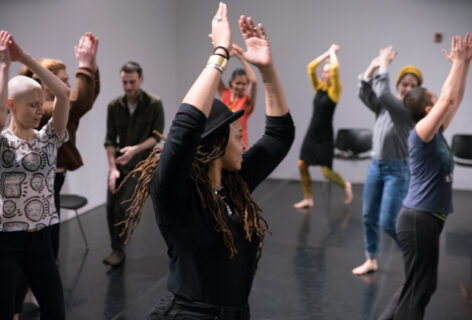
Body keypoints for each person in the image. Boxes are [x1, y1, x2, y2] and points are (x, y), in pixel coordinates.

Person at [117, 3, 294, 319]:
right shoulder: (175, 191)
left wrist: (267, 70)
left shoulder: (233, 184)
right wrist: (221, 53)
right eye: (238, 136)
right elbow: (185, 128)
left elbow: (280, 136)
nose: (244, 144)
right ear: (217, 142)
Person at [379, 33, 472, 320]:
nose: (443, 101)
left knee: (416, 285)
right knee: (420, 290)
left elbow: (452, 98)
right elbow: (447, 97)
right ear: (429, 109)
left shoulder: (436, 132)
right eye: (435, 100)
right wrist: (456, 62)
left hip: (426, 219)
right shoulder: (420, 135)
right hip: (419, 219)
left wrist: (465, 64)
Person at [0, 30, 69, 320]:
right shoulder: (3, 141)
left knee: (55, 312)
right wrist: (4, 66)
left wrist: (25, 58)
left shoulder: (48, 138)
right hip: (6, 242)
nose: (40, 110)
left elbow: (64, 94)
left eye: (40, 103)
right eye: (32, 104)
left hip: (41, 240)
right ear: (12, 106)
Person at [20, 32, 100, 259]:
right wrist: (85, 66)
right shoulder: (42, 111)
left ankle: (40, 280)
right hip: (43, 181)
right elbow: (79, 101)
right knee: (44, 236)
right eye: (64, 80)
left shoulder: (55, 107)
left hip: (54, 179)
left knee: (49, 234)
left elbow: (86, 99)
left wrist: (91, 65)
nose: (68, 85)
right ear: (46, 82)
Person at [352, 46, 421, 275]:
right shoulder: (386, 105)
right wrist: (373, 66)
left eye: (413, 85)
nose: (408, 88)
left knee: (389, 221)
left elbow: (381, 92)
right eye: (405, 84)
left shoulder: (408, 109)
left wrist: (384, 65)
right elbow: (364, 92)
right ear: (399, 84)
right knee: (368, 215)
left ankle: (417, 257)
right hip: (377, 165)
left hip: (397, 170)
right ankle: (371, 259)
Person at [104, 61, 164, 267]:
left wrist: (134, 150)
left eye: (132, 82)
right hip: (119, 163)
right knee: (110, 207)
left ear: (141, 79)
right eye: (124, 82)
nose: (128, 86)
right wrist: (112, 169)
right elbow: (110, 140)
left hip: (141, 164)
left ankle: (118, 251)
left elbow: (156, 137)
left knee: (122, 207)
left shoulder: (154, 103)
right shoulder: (114, 106)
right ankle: (116, 249)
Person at [293, 44, 353, 209]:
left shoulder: (335, 91)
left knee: (326, 172)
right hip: (312, 132)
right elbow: (311, 68)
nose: (325, 74)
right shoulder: (318, 88)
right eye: (324, 71)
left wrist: (333, 54)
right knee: (302, 164)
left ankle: (345, 185)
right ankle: (308, 198)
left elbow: (335, 69)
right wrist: (327, 53)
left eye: (328, 71)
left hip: (325, 135)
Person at [217, 44, 257, 147]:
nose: (240, 87)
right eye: (238, 83)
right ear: (232, 82)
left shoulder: (246, 101)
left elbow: (254, 81)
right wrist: (225, 55)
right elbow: (215, 73)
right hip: (222, 143)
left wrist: (240, 57)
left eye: (243, 84)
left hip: (240, 146)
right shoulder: (225, 94)